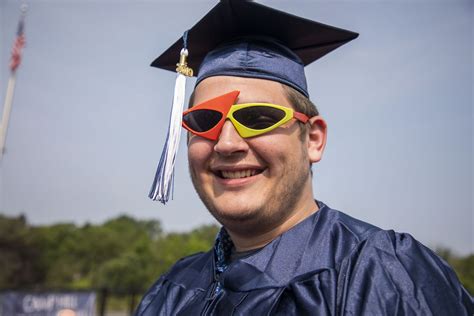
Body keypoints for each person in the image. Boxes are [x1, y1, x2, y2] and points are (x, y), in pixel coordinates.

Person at [137, 1, 473, 315]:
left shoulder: (380, 272)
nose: (227, 144)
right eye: (204, 121)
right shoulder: (173, 291)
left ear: (313, 139)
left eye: (257, 118)